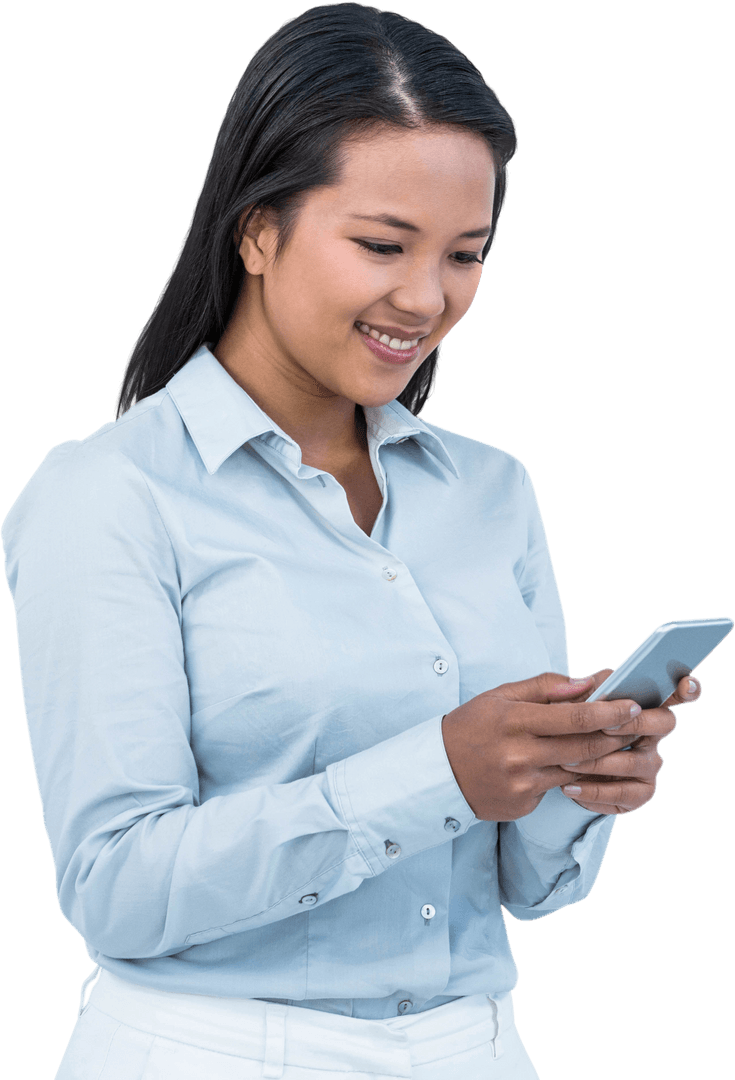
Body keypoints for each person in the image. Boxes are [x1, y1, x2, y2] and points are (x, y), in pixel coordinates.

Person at [0, 4, 701, 1078]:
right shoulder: (109, 496)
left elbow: (527, 888)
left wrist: (575, 774)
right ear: (257, 228)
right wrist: (440, 771)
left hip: (480, 1046)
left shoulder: (492, 491)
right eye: (382, 244)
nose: (425, 299)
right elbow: (115, 885)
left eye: (466, 254)